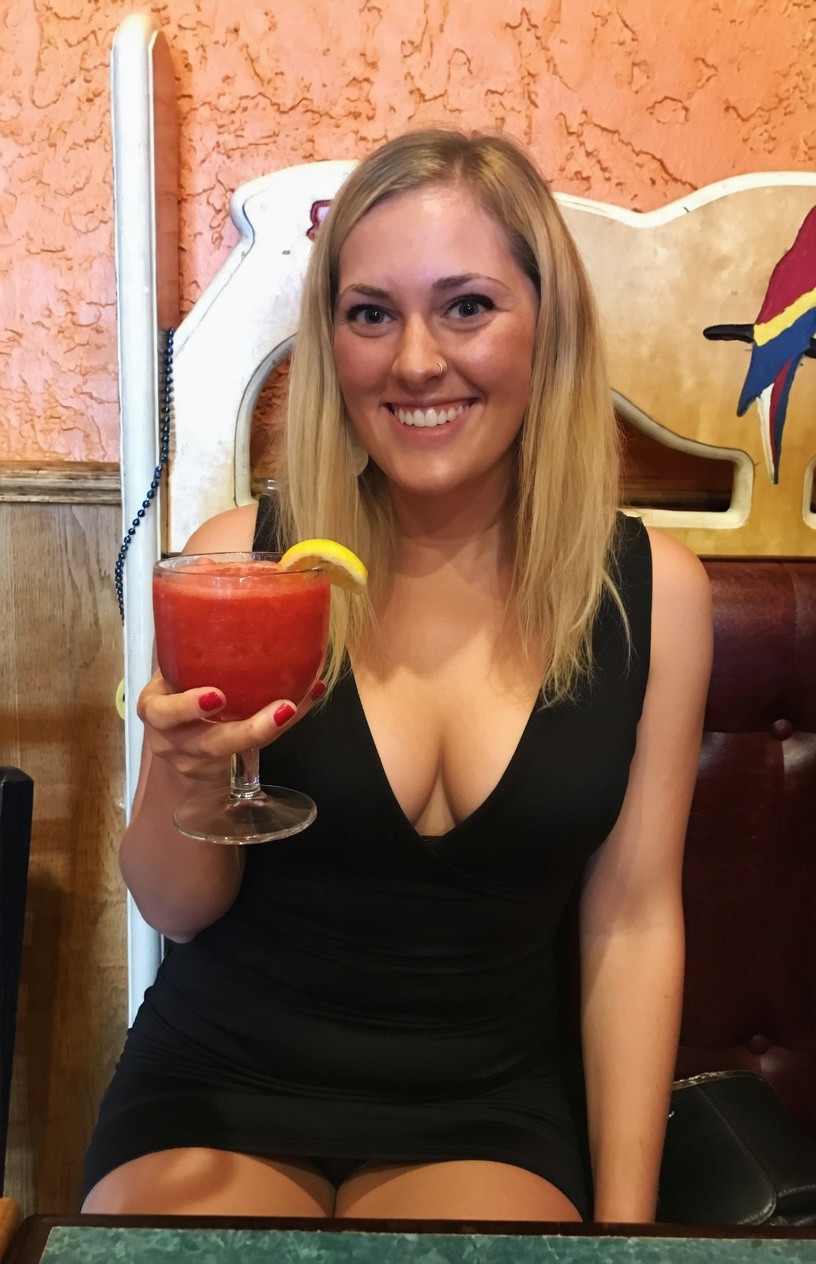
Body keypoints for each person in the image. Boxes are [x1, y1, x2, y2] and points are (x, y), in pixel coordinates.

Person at [82, 128, 712, 1222]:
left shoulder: (654, 593)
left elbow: (634, 920)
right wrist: (186, 775)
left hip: (487, 1107)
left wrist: (626, 1234)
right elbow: (174, 907)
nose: (415, 360)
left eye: (466, 306)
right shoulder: (243, 564)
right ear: (332, 343)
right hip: (217, 1085)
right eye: (370, 314)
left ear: (549, 328)